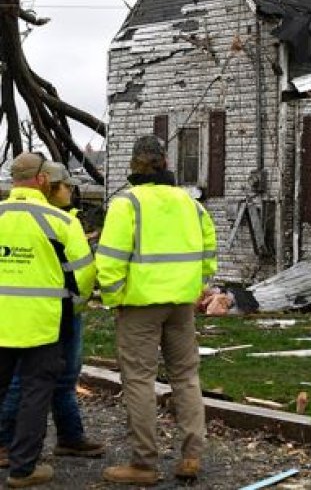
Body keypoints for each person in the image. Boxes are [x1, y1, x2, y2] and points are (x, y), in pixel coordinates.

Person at [96, 135, 217, 485]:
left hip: (140, 306)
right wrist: (196, 287)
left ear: (134, 164)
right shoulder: (190, 203)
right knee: (186, 377)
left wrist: (114, 299)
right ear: (165, 161)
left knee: (139, 380)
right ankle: (192, 456)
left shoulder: (127, 204)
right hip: (181, 304)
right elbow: (209, 251)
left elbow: (111, 260)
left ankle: (144, 464)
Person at [0, 153, 96, 487]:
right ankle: (23, 469)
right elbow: (84, 275)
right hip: (42, 323)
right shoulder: (60, 222)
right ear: (42, 179)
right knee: (35, 393)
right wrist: (74, 308)